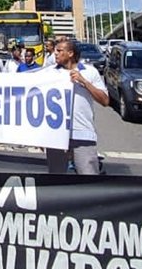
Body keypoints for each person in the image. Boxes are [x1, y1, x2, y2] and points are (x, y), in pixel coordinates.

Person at [46, 36, 108, 174]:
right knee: (56, 177)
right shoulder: (49, 73)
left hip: (82, 133)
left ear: (70, 53)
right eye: (55, 50)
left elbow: (105, 101)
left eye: (59, 50)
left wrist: (84, 82)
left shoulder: (90, 72)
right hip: (55, 134)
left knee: (88, 177)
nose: (55, 53)